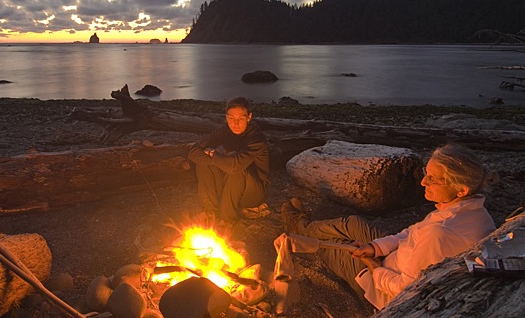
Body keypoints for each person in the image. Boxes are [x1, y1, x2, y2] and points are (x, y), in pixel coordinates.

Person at [280, 143, 497, 309]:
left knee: (336, 247)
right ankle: (300, 225)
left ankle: (297, 225)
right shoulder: (476, 213)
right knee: (352, 223)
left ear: (461, 189)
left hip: (382, 283)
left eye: (432, 178)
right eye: (426, 173)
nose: (423, 182)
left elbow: (404, 290)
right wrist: (376, 247)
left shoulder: (440, 233)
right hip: (394, 257)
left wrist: (374, 265)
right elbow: (410, 233)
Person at [188, 97, 270, 221]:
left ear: (249, 117)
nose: (235, 124)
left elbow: (235, 166)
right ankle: (209, 213)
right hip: (230, 186)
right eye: (231, 119)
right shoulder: (224, 131)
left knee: (236, 169)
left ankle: (227, 220)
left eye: (241, 119)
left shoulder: (256, 138)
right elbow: (193, 152)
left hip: (253, 192)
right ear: (226, 117)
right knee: (203, 163)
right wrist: (212, 159)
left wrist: (214, 155)